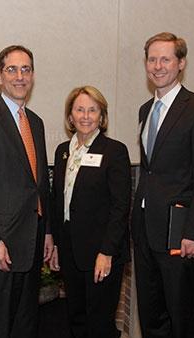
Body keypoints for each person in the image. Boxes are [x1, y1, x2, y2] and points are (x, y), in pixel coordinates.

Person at [131, 32, 194, 338]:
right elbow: (150, 170)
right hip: (145, 229)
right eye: (152, 59)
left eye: (165, 59)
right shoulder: (145, 110)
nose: (158, 66)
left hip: (179, 233)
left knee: (180, 317)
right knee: (151, 316)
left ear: (180, 63)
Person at [0, 45, 53, 338]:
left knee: (25, 324)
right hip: (0, 247)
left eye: (25, 69)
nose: (19, 76)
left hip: (32, 241)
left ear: (33, 75)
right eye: (12, 69)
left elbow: (39, 185)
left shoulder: (35, 123)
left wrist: (48, 231)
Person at [50, 85, 131, 337]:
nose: (86, 116)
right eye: (80, 109)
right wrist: (55, 245)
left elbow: (120, 207)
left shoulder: (114, 151)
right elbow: (57, 201)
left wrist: (106, 251)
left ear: (102, 116)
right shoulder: (63, 151)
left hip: (101, 254)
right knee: (76, 317)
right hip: (70, 251)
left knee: (99, 323)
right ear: (70, 116)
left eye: (92, 110)